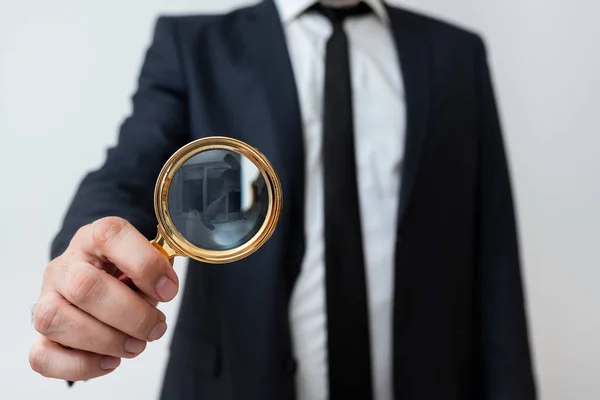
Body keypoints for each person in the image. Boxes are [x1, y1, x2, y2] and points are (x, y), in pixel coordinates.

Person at [29, 0, 538, 399]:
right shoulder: (194, 44)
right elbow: (129, 172)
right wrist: (87, 260)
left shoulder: (456, 55)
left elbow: (493, 257)